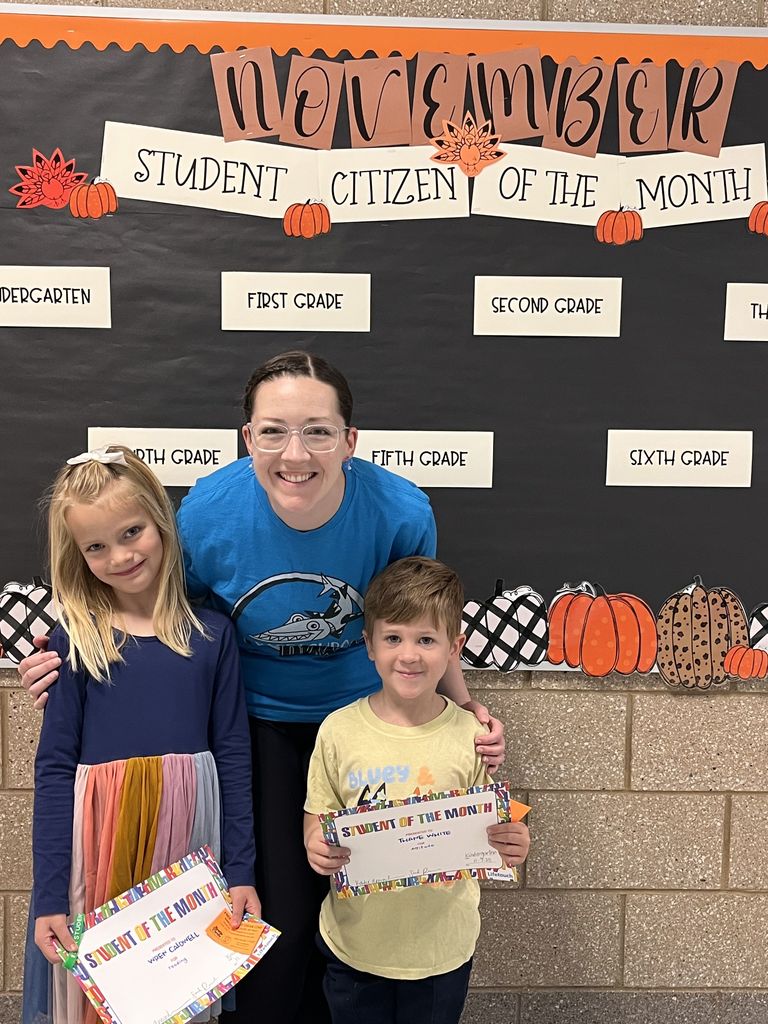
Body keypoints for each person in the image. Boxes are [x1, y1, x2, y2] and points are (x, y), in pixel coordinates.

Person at [20, 350, 505, 1023]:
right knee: (279, 916)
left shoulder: (399, 510)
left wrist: (464, 706)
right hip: (256, 724)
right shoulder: (206, 516)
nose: (295, 452)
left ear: (350, 441)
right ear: (248, 438)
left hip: (363, 721)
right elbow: (152, 609)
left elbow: (419, 616)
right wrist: (69, 655)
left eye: (317, 431)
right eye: (273, 431)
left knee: (365, 898)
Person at [24, 446, 258, 1024]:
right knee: (98, 997)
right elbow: (53, 767)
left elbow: (233, 755)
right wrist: (51, 895)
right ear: (77, 555)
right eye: (96, 546)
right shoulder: (76, 639)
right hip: (96, 847)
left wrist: (242, 873)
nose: (120, 556)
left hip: (189, 846)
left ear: (161, 521)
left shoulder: (213, 635)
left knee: (176, 989)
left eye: (132, 532)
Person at [304, 556, 529, 1024]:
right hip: (354, 947)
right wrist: (315, 846)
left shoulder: (472, 734)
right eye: (393, 638)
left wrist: (513, 843)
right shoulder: (337, 731)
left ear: (454, 647)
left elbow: (494, 831)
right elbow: (318, 818)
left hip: (441, 953)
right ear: (368, 644)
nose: (409, 655)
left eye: (426, 639)